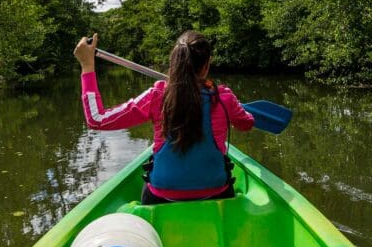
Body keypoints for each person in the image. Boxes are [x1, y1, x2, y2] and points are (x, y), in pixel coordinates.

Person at [74, 30, 255, 204]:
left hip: (162, 195)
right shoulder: (224, 98)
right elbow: (246, 124)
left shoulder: (157, 95)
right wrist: (234, 107)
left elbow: (96, 119)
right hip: (216, 192)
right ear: (207, 64)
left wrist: (87, 67)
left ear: (174, 63)